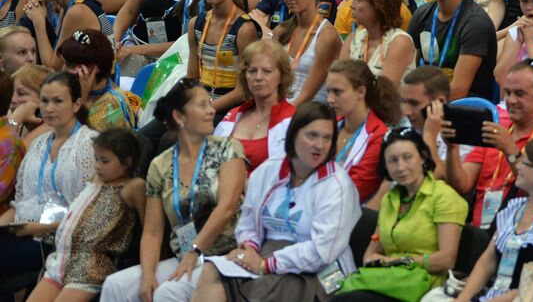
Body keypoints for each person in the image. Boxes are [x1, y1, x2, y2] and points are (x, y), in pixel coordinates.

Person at [187, 102, 356, 301]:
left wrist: (266, 265)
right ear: (294, 135)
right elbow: (248, 221)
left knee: (267, 287)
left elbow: (322, 252)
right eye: (312, 136)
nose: (320, 145)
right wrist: (249, 246)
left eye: (326, 138)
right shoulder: (269, 170)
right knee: (211, 270)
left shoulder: (338, 185)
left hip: (322, 270)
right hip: (265, 253)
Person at [102, 80, 244, 302]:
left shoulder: (227, 149)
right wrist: (148, 275)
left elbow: (227, 208)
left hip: (224, 257)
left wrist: (194, 251)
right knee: (116, 285)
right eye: (203, 105)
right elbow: (152, 232)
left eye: (210, 104)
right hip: (184, 257)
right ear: (180, 117)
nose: (212, 110)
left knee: (167, 293)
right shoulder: (161, 165)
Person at [335, 126, 465, 302]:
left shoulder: (444, 197)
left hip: (423, 287)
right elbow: (370, 255)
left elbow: (446, 259)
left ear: (423, 157)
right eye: (392, 160)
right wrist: (391, 262)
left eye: (407, 157)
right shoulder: (389, 199)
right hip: (388, 281)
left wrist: (401, 261)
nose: (401, 167)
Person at [450, 60, 533, 230]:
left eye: (520, 94)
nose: (511, 100)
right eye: (508, 93)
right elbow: (462, 184)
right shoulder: (495, 132)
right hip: (479, 233)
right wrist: (452, 148)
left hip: (522, 234)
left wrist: (510, 151)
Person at [30, 126, 144, 302]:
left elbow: (150, 228)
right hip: (62, 261)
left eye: (105, 161)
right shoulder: (95, 179)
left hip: (91, 267)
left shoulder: (133, 187)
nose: (97, 166)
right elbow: (77, 218)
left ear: (127, 162)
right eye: (96, 159)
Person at [0, 72, 96, 272]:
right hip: (24, 231)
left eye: (58, 101)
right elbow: (20, 205)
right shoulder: (38, 145)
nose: (49, 108)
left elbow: (91, 213)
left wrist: (42, 228)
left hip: (62, 237)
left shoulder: (90, 144)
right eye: (44, 101)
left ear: (77, 104)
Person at [460, 138, 533, 300]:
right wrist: (462, 298)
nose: (518, 166)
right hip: (492, 295)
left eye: (525, 163)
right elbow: (487, 261)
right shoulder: (515, 208)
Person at [407, 0, 496, 101]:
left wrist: (417, 105)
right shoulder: (422, 14)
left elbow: (458, 91)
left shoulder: (476, 23)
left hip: (465, 111)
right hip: (424, 103)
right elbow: (407, 70)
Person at [211, 40, 295, 172]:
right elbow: (211, 163)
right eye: (252, 71)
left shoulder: (293, 121)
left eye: (267, 71)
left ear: (281, 77)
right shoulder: (232, 116)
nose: (258, 77)